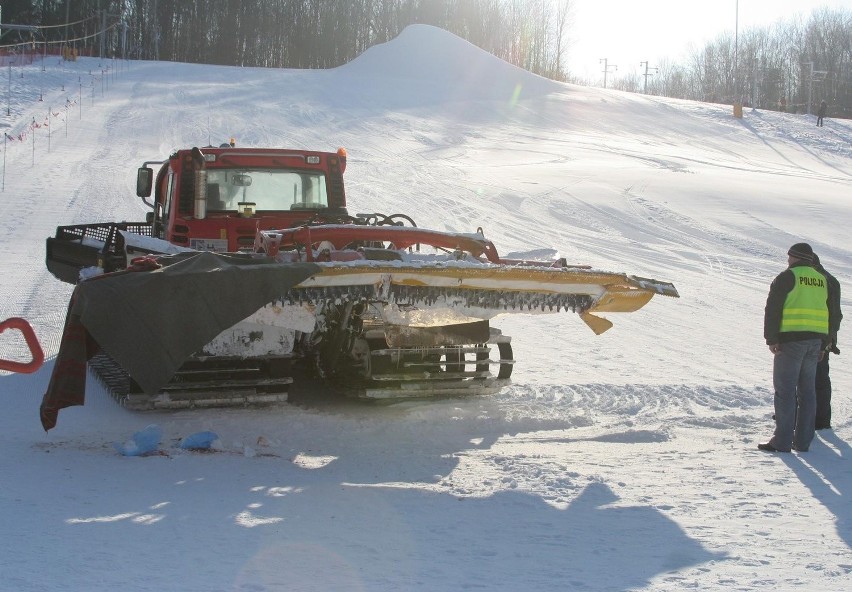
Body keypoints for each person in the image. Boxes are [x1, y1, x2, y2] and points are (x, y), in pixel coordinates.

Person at [759, 243, 831, 453]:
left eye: (789, 256)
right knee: (808, 392)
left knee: (785, 391)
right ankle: (803, 442)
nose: (787, 260)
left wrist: (771, 338)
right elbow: (826, 311)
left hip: (790, 341)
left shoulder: (787, 277)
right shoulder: (821, 280)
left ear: (795, 257)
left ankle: (781, 442)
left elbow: (772, 309)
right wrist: (824, 344)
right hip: (814, 342)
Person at [813, 253, 842, 430]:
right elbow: (836, 315)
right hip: (825, 338)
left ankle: (818, 419)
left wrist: (826, 341)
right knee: (821, 380)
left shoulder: (822, 280)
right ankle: (822, 420)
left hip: (819, 338)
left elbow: (832, 314)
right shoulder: (831, 279)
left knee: (814, 380)